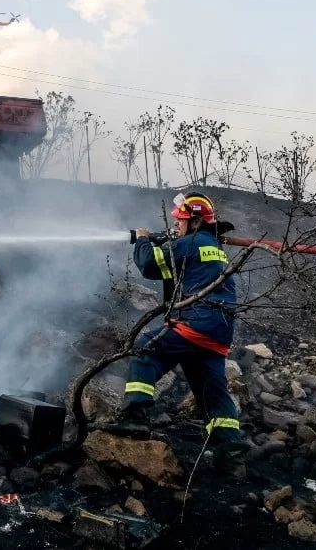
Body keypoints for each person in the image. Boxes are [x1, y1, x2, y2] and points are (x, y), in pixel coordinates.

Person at [98, 192, 249, 462]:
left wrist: (144, 239)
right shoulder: (212, 246)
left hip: (198, 322)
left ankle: (135, 417)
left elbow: (149, 264)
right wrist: (166, 243)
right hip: (219, 331)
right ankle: (232, 455)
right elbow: (174, 272)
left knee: (145, 350)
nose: (177, 224)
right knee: (212, 392)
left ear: (194, 221)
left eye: (180, 220)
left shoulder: (193, 242)